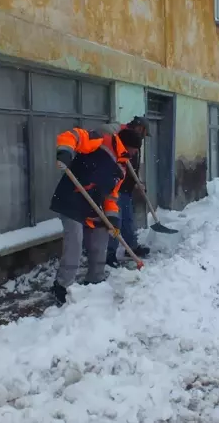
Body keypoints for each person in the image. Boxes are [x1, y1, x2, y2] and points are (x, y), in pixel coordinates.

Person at [50, 126, 143, 304]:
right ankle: (62, 286)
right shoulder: (101, 140)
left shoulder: (121, 168)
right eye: (135, 149)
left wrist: (113, 219)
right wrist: (65, 153)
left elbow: (111, 197)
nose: (135, 153)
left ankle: (95, 280)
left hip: (93, 206)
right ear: (128, 146)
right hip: (72, 199)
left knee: (101, 242)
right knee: (74, 244)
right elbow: (72, 135)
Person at [97, 117, 151, 267]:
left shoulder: (135, 142)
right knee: (115, 221)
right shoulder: (121, 131)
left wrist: (137, 182)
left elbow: (133, 166)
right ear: (140, 128)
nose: (143, 137)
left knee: (127, 220)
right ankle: (109, 254)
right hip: (114, 187)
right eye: (144, 133)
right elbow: (104, 129)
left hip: (126, 188)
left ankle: (131, 247)